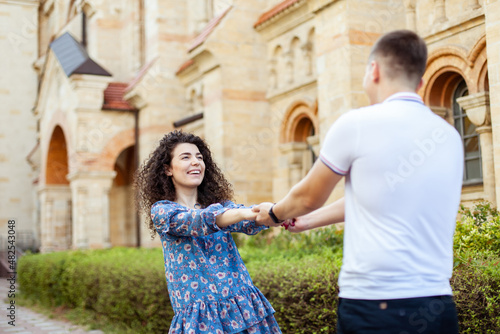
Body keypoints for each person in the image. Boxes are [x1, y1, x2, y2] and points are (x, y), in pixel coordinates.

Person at [256, 30, 463, 334]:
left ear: (374, 70)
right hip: (437, 305)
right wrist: (307, 222)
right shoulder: (449, 136)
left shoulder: (356, 124)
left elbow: (307, 196)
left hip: (374, 306)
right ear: (419, 82)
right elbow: (374, 196)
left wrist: (274, 213)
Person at [135, 131, 282, 334]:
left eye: (199, 157)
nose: (196, 162)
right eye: (186, 157)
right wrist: (242, 212)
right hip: (202, 320)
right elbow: (197, 221)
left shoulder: (221, 207)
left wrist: (280, 213)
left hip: (243, 310)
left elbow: (251, 222)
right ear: (168, 169)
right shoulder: (163, 211)